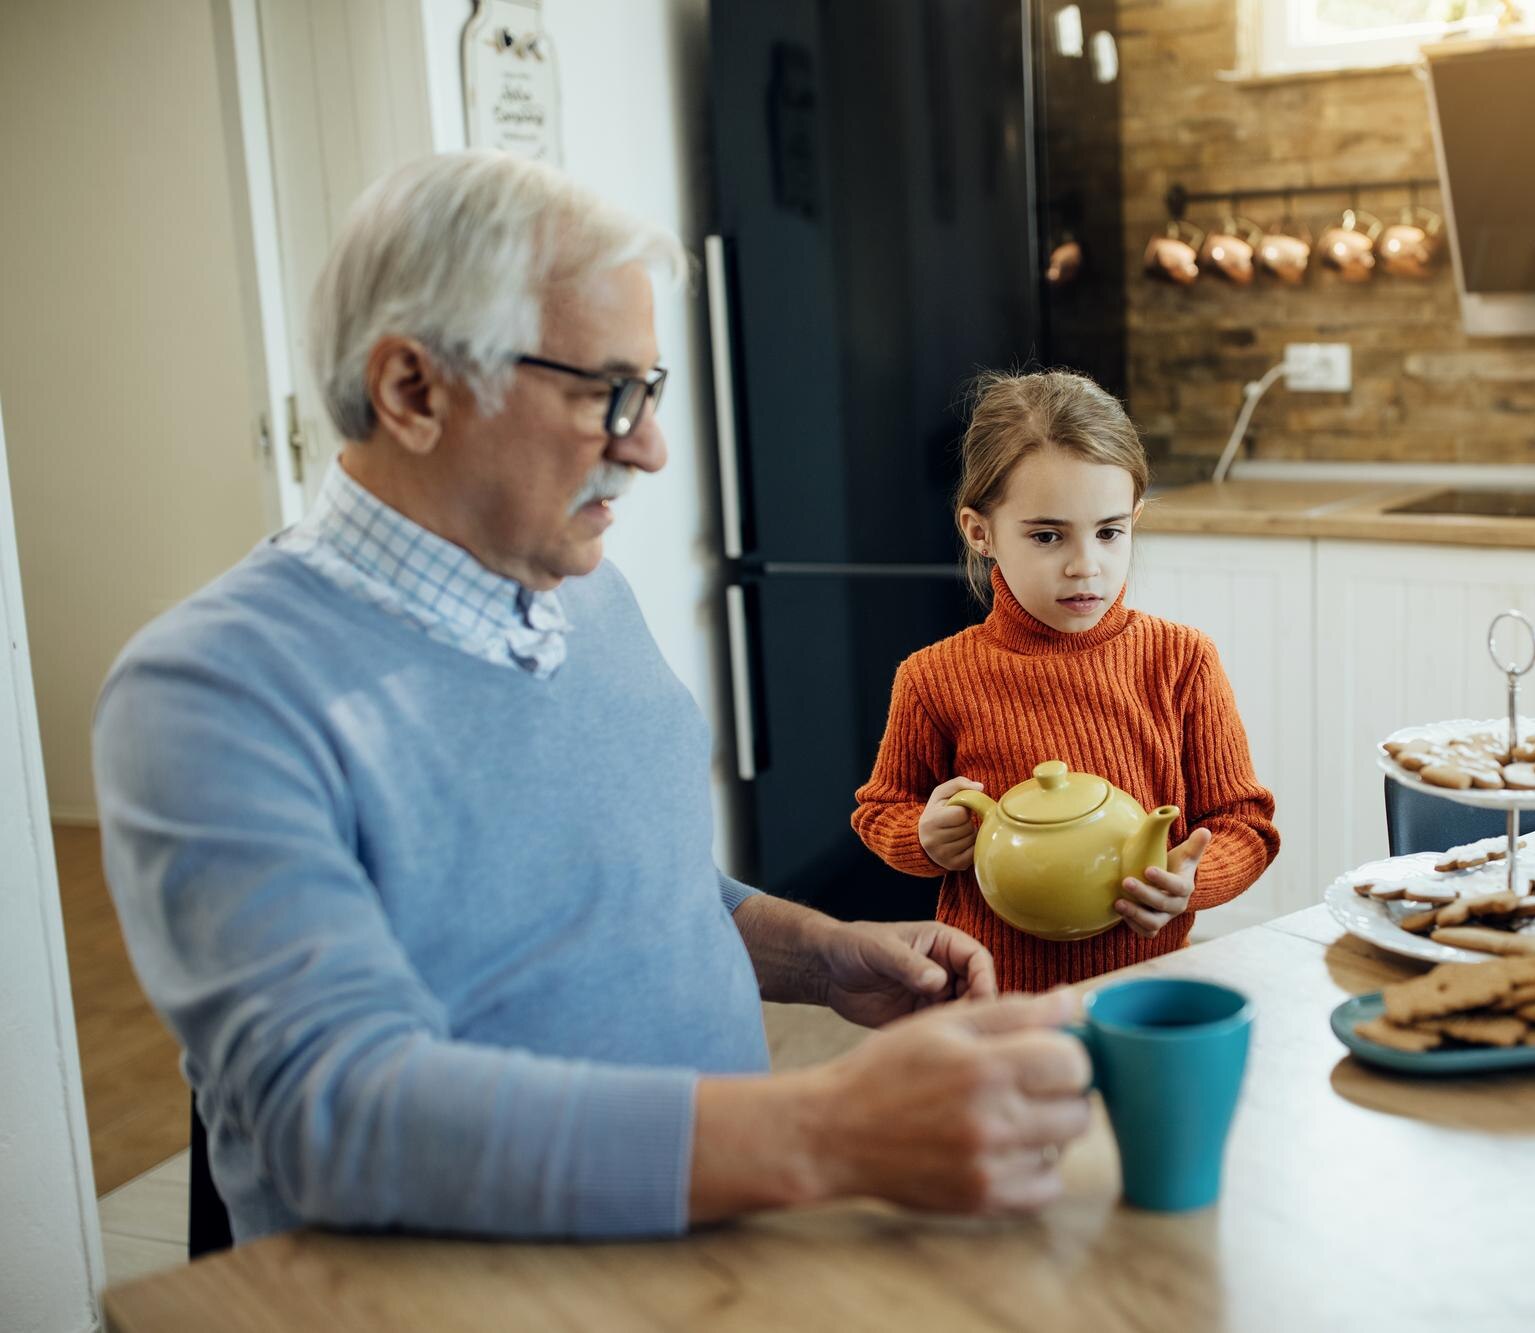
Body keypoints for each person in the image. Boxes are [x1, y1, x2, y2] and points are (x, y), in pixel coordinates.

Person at [92, 151, 1089, 1244]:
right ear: (412, 390)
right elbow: (332, 1113)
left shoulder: (583, 590)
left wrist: (817, 950)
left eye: (648, 390)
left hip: (707, 1255)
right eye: (605, 393)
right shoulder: (212, 692)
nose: (651, 448)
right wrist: (824, 1130)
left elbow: (623, 883)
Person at [851, 371, 1280, 992]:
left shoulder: (1182, 660)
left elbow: (1247, 822)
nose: (1086, 566)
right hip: (990, 994)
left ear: (1134, 519)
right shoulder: (932, 678)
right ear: (980, 532)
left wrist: (1191, 883)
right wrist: (922, 837)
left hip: (1146, 988)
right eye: (1048, 535)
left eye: (1110, 532)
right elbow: (880, 809)